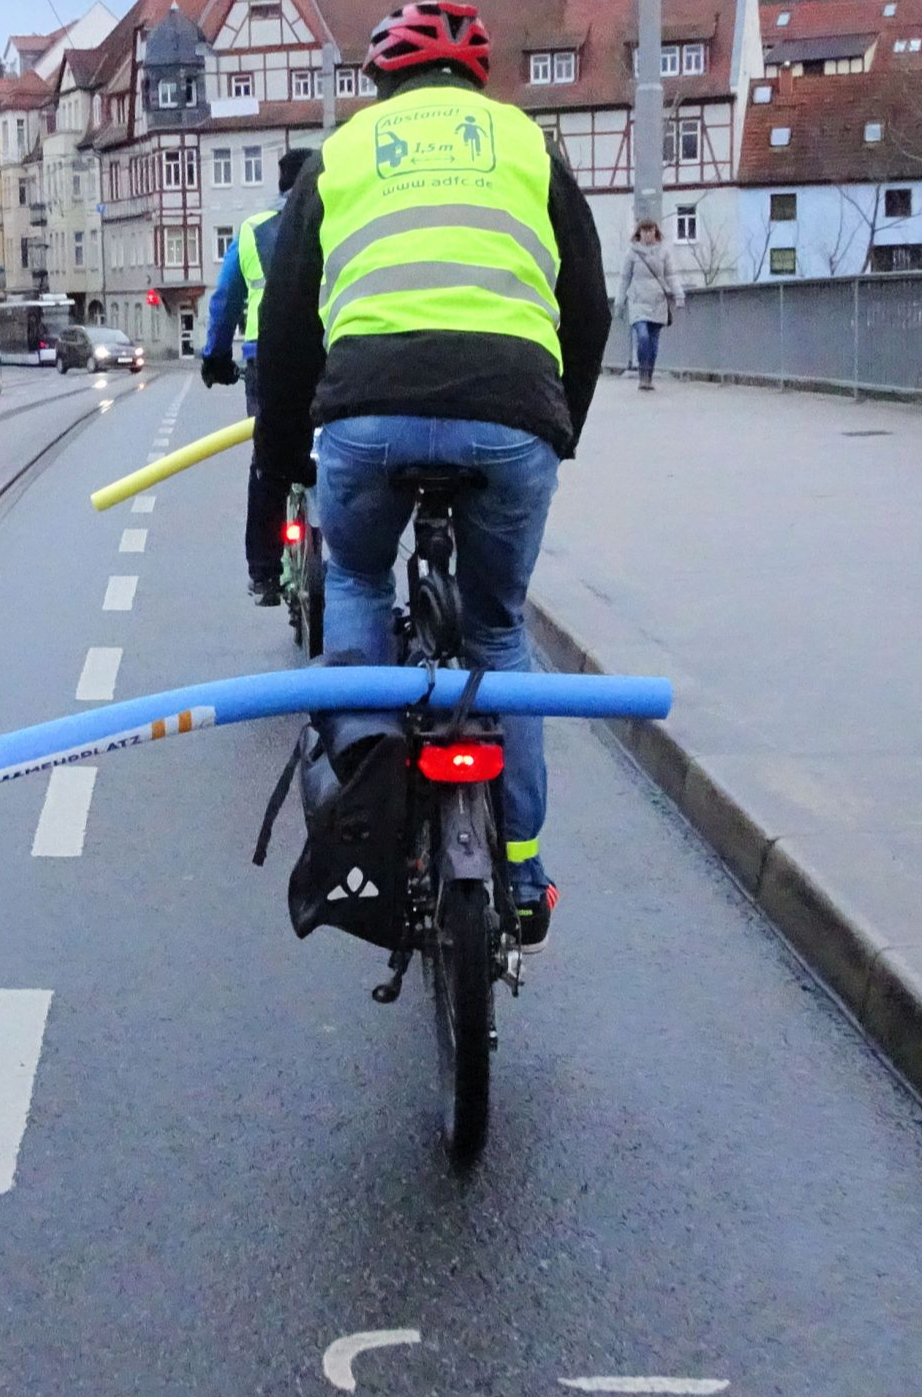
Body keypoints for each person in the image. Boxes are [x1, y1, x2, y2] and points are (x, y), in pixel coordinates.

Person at [253, 0, 610, 950]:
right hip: (511, 415)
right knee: (498, 635)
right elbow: (589, 299)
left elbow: (288, 325)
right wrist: (557, 423)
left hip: (367, 412)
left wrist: (284, 452)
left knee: (361, 578)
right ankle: (525, 869)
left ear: (383, 81)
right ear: (477, 80)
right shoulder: (530, 145)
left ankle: (363, 809)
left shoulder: (346, 152)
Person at [199, 147, 317, 606]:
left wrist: (214, 358)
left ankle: (265, 571)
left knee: (268, 458)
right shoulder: (337, 215)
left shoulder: (252, 230)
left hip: (267, 359)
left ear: (282, 184)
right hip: (330, 352)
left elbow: (226, 299)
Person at [618, 220, 682, 390]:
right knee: (643, 336)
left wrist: (679, 294)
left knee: (653, 342)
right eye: (644, 231)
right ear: (639, 233)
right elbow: (624, 278)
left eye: (651, 230)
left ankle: (648, 376)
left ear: (656, 232)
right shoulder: (632, 253)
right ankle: (642, 374)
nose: (648, 234)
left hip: (657, 301)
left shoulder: (664, 252)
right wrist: (619, 302)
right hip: (638, 301)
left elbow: (671, 275)